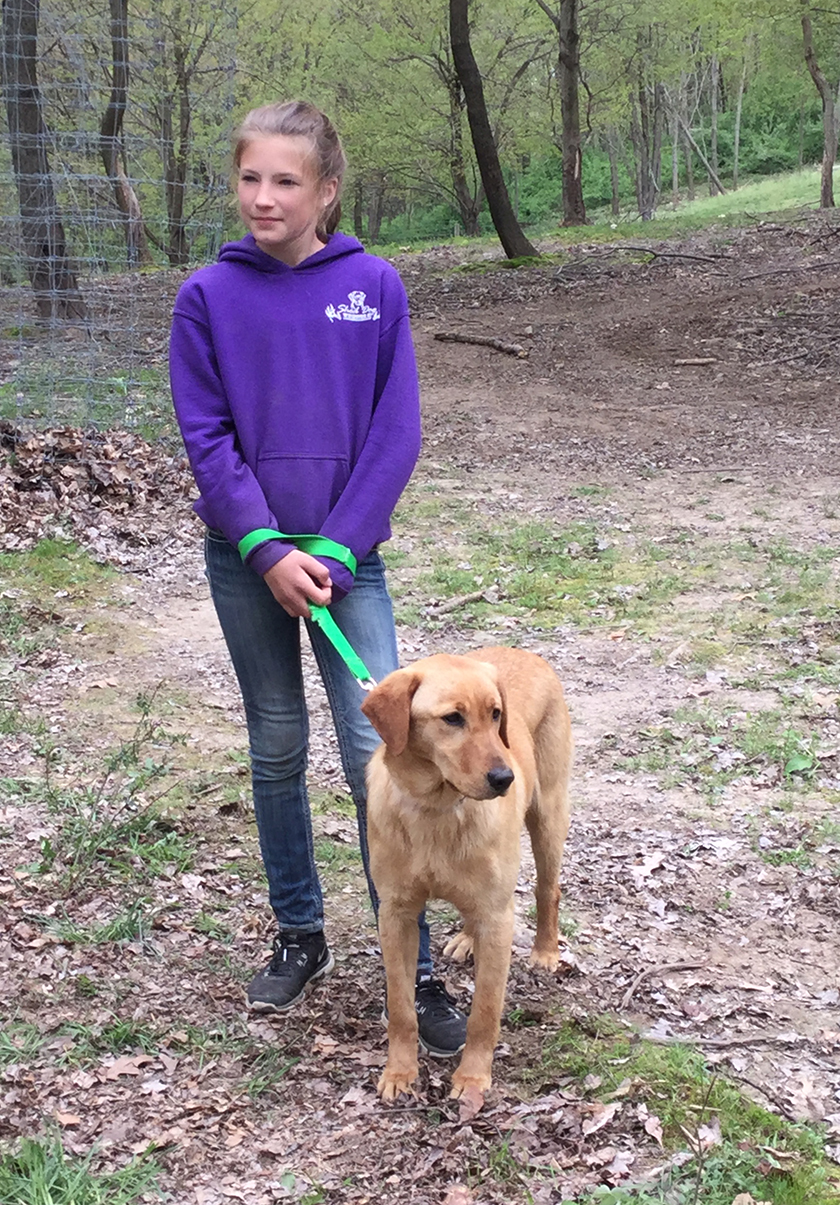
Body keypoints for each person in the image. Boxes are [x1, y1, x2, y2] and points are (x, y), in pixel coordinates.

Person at [169, 100, 466, 1057]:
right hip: (247, 561)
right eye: (251, 177)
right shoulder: (206, 298)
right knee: (276, 745)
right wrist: (264, 545)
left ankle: (414, 964)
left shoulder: (372, 287)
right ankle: (300, 932)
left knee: (377, 748)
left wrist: (335, 551)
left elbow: (396, 434)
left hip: (349, 566)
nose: (264, 197)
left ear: (326, 190)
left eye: (286, 181)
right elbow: (207, 440)